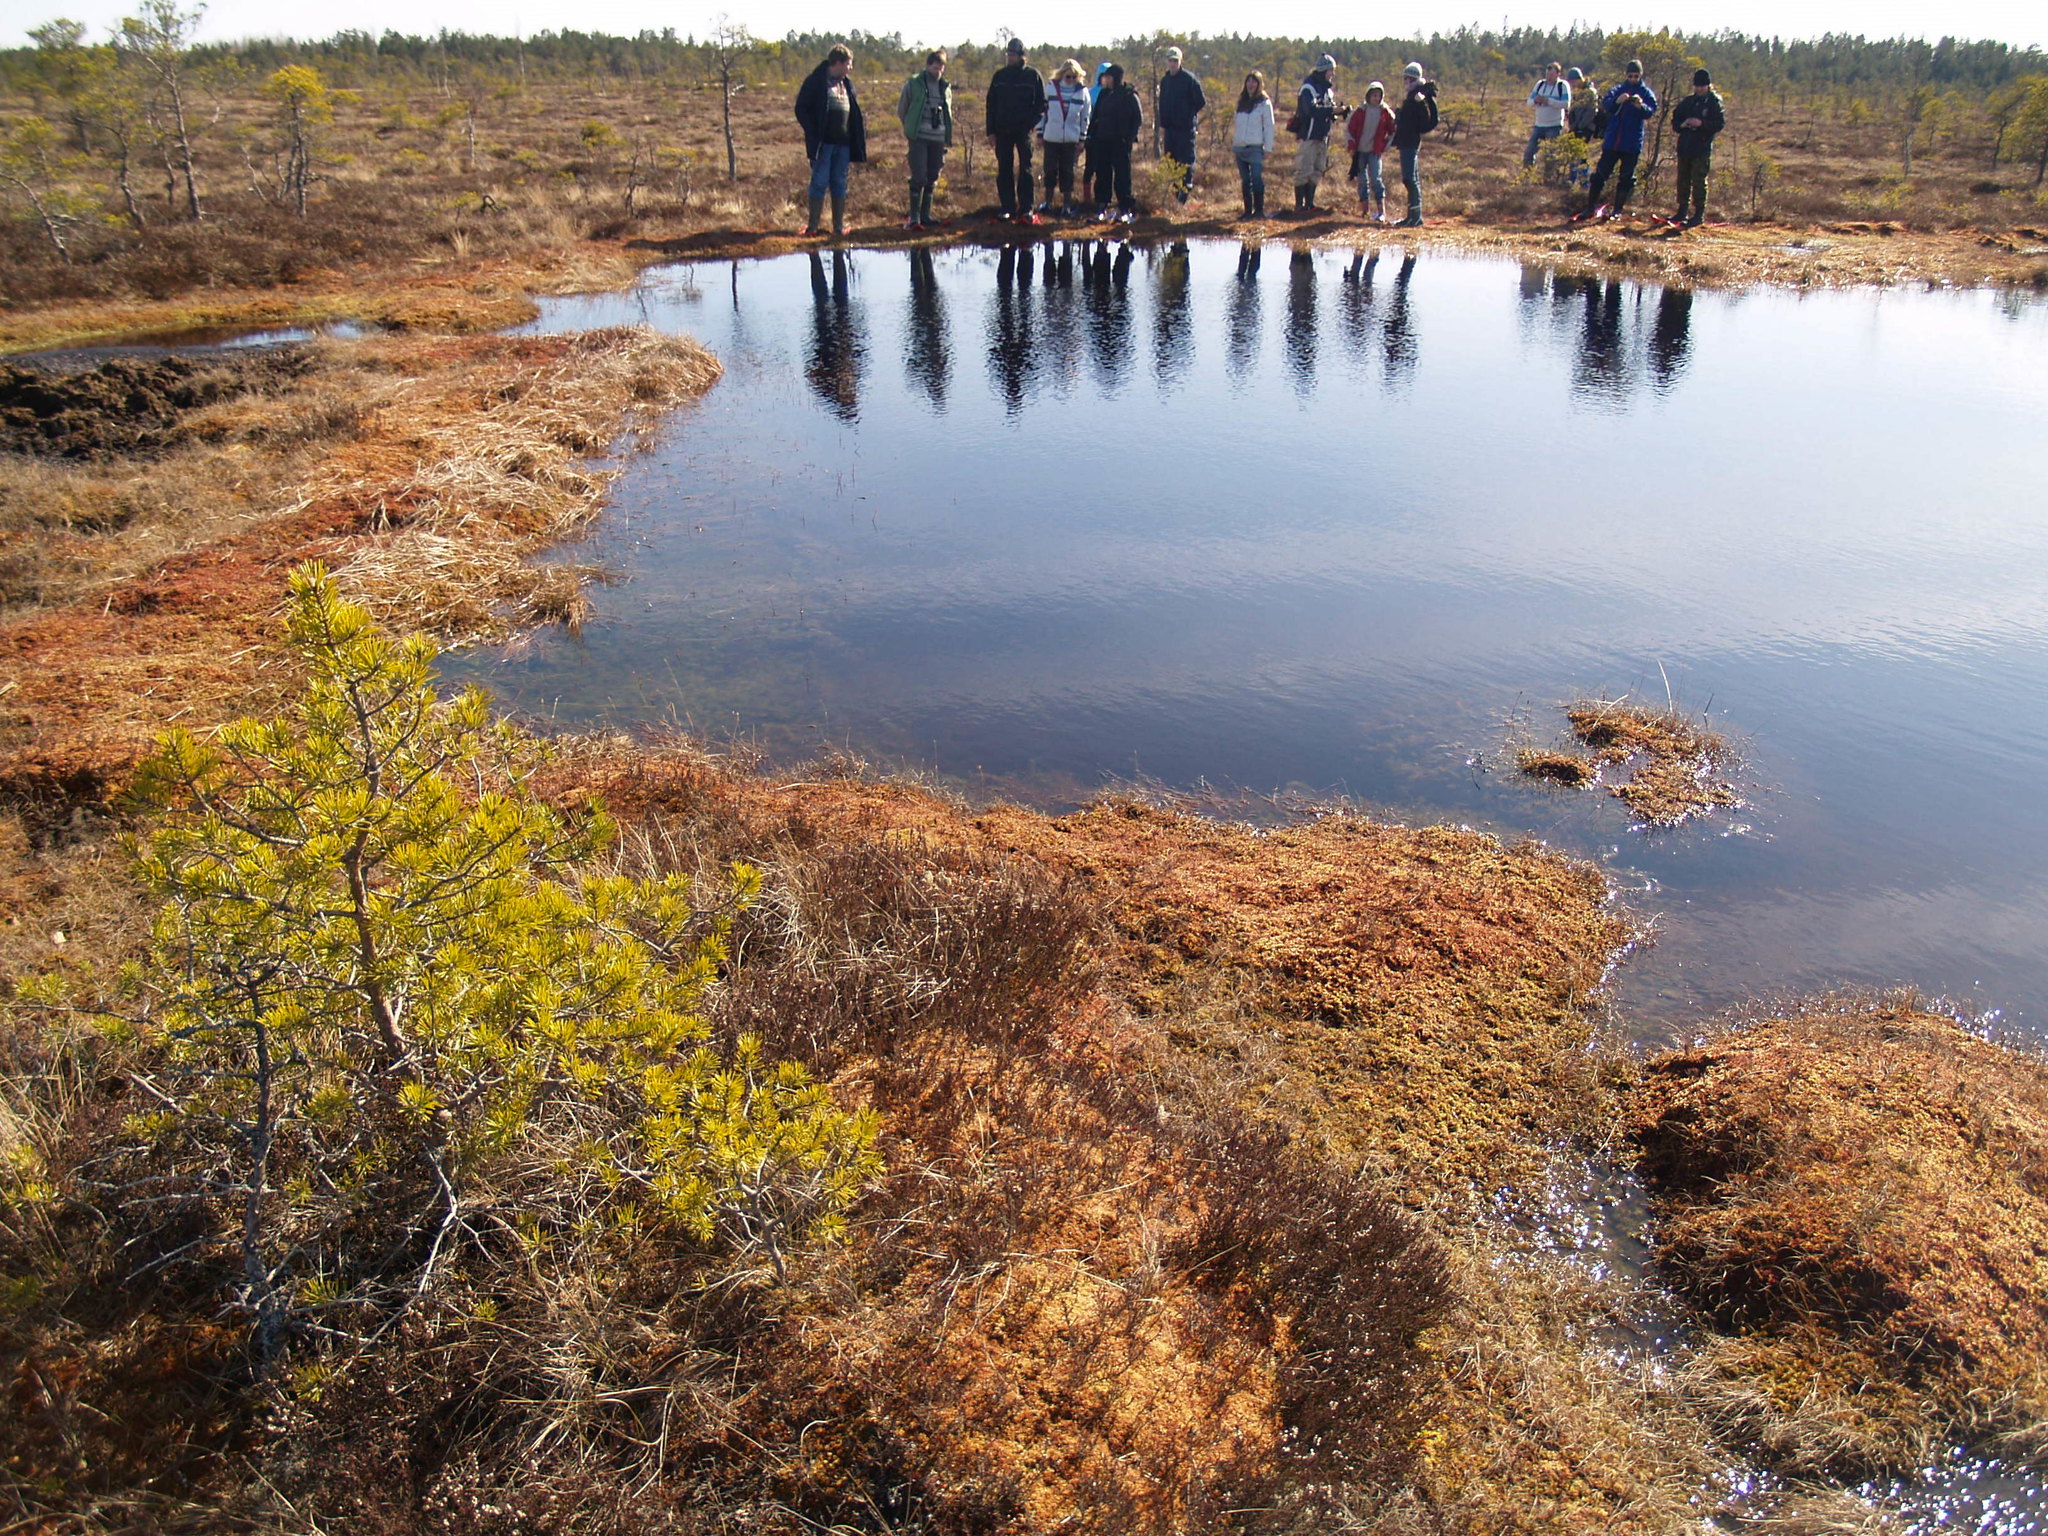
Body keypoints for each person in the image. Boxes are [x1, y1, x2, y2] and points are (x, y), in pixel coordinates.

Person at [793, 43, 867, 239]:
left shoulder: (847, 84)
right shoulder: (815, 81)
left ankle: (838, 228)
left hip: (843, 144)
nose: (850, 68)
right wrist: (814, 131)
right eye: (849, 64)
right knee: (819, 182)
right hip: (823, 144)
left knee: (839, 183)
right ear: (838, 62)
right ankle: (813, 227)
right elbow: (801, 108)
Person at [1576, 59, 1657, 221]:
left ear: (1640, 75)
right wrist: (1617, 101)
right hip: (1613, 141)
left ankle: (1617, 210)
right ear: (1626, 75)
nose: (1633, 78)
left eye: (1636, 76)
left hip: (1632, 143)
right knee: (1599, 175)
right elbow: (1606, 105)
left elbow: (1651, 111)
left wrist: (1641, 106)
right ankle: (1590, 207)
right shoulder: (1618, 89)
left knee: (1626, 178)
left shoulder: (1646, 93)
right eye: (1630, 75)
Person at [986, 38, 1046, 223]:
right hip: (1002, 130)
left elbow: (1041, 104)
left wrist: (1031, 124)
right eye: (1008, 54)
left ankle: (1026, 208)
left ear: (1021, 56)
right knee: (1004, 169)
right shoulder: (999, 76)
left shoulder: (1033, 76)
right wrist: (991, 131)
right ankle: (1007, 208)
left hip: (1023, 131)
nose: (1009, 57)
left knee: (1025, 169)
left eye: (1012, 54)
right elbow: (991, 104)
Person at [897, 50, 952, 231]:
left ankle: (925, 215)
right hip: (919, 137)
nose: (938, 71)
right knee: (919, 175)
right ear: (928, 65)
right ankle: (914, 218)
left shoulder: (945, 86)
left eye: (941, 68)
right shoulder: (914, 84)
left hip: (938, 138)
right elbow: (902, 109)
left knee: (933, 176)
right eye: (935, 67)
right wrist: (911, 127)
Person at [1669, 68, 1725, 227]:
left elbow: (1719, 124)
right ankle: (1682, 211)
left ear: (1708, 85)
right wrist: (1682, 124)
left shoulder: (1714, 102)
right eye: (1697, 86)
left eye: (1703, 86)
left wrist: (1701, 124)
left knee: (1699, 181)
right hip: (1685, 146)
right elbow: (1675, 119)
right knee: (1683, 180)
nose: (1699, 88)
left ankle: (1698, 214)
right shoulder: (1689, 101)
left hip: (1701, 147)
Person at [1086, 62, 1143, 221]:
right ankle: (1101, 208)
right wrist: (1091, 136)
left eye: (1108, 77)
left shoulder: (1129, 94)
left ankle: (1125, 210)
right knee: (1102, 175)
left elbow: (1138, 119)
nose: (1105, 80)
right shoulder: (1104, 94)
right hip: (1102, 141)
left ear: (1115, 78)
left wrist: (1129, 140)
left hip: (1121, 143)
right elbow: (1096, 117)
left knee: (1122, 177)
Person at [1040, 59, 1091, 217]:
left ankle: (1066, 206)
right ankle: (1048, 203)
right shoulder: (1050, 88)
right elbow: (1042, 112)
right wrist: (1040, 132)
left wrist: (1082, 138)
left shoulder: (1083, 92)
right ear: (1062, 74)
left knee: (1067, 172)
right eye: (1068, 76)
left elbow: (1085, 116)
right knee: (1049, 170)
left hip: (1071, 139)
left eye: (1074, 76)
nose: (1071, 79)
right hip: (1051, 137)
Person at [1390, 62, 1438, 227]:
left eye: (1408, 78)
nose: (1406, 81)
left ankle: (1415, 218)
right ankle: (1412, 216)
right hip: (1407, 142)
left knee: (1410, 179)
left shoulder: (1417, 97)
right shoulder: (1413, 96)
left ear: (1414, 78)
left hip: (1410, 143)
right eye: (1405, 78)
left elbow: (1426, 122)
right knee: (1411, 179)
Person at [1157, 45, 1207, 203]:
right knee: (1171, 161)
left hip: (1185, 130)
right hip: (1170, 129)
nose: (1172, 63)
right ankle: (1175, 195)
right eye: (1170, 60)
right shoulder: (1165, 81)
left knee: (1186, 161)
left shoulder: (1189, 79)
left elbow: (1200, 101)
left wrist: (1187, 115)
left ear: (1180, 61)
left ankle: (1185, 193)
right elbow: (1162, 103)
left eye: (1175, 60)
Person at [1291, 54, 1339, 214]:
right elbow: (1310, 110)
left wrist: (1338, 112)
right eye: (1331, 70)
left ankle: (1310, 204)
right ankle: (1299, 206)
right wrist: (1332, 110)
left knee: (1318, 169)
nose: (1332, 74)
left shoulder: (1328, 90)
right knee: (1304, 169)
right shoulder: (1308, 88)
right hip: (1309, 135)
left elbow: (1327, 111)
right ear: (1324, 70)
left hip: (1323, 136)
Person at [1344, 80, 1396, 223]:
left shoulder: (1386, 113)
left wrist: (1384, 146)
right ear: (1368, 96)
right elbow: (1349, 130)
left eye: (1379, 95)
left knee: (1376, 179)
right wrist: (1351, 146)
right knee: (1362, 181)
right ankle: (1365, 212)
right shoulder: (1360, 111)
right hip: (1360, 152)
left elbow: (1392, 131)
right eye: (1374, 95)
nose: (1376, 98)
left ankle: (1381, 212)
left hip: (1375, 152)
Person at [1232, 71, 1275, 218]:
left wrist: (1268, 147)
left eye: (1254, 81)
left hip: (1255, 147)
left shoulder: (1264, 103)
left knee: (1256, 178)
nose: (1251, 84)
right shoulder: (1241, 102)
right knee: (1245, 181)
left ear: (1259, 84)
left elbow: (1269, 126)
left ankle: (1259, 211)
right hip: (1240, 147)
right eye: (1248, 81)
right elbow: (1236, 123)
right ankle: (1247, 212)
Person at [1525, 61, 1570, 167]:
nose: (1549, 77)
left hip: (1554, 126)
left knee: (1551, 155)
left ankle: (1549, 178)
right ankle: (1527, 175)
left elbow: (1566, 104)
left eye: (1551, 75)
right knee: (1529, 152)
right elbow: (1529, 103)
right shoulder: (1540, 84)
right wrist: (1536, 100)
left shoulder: (1562, 86)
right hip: (1539, 125)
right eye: (1547, 75)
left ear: (1558, 74)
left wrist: (1548, 101)